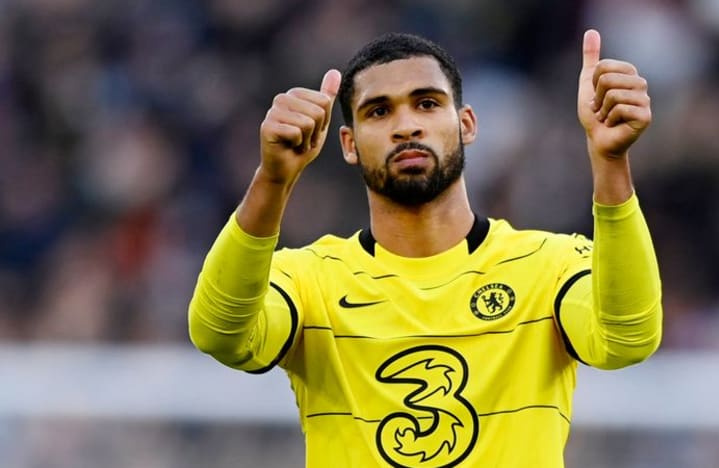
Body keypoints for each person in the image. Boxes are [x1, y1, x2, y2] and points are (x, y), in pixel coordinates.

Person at [189, 29, 662, 467]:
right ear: (349, 144)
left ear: (466, 124)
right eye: (379, 111)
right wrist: (273, 181)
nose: (406, 126)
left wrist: (610, 160)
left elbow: (628, 340)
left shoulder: (548, 265)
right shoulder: (309, 279)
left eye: (427, 104)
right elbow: (220, 335)